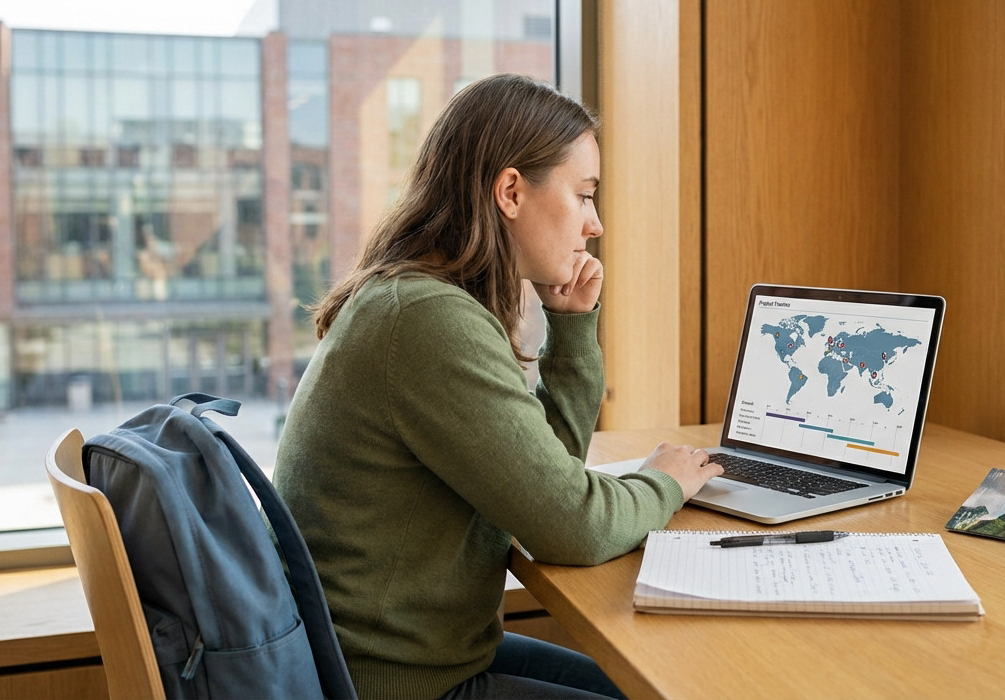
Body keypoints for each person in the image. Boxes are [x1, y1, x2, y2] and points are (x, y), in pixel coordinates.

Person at [272, 73, 723, 700]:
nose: (594, 224)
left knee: (651, 685)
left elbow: (545, 479)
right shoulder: (428, 320)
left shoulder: (415, 299)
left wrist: (571, 327)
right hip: (389, 683)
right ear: (511, 191)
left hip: (407, 659)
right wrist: (665, 481)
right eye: (584, 195)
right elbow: (576, 526)